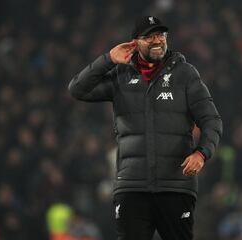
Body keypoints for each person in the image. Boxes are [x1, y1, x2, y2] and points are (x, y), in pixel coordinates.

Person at [68, 15, 222, 240]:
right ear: (135, 43)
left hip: (175, 184)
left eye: (161, 35)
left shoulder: (185, 74)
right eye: (149, 36)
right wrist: (108, 59)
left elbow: (211, 120)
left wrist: (202, 153)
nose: (158, 40)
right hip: (132, 186)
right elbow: (77, 89)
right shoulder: (120, 75)